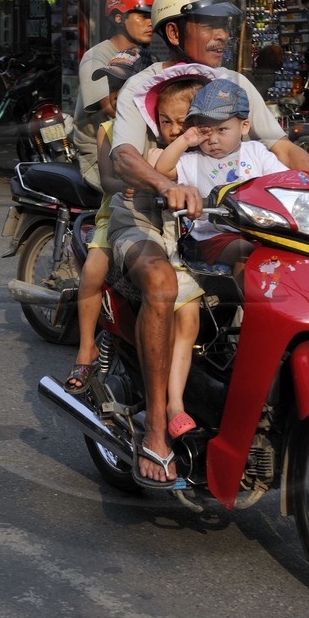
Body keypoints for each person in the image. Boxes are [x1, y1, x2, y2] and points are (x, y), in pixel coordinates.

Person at [107, 0, 309, 488]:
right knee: (163, 286)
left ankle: (249, 389)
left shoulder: (237, 85)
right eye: (209, 24)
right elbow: (124, 156)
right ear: (173, 31)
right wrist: (163, 184)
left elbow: (280, 148)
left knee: (291, 270)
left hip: (221, 219)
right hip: (145, 217)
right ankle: (155, 429)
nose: (221, 34)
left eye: (224, 25)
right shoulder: (138, 87)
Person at [62, 55, 203, 401]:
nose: (115, 97)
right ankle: (85, 351)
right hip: (116, 214)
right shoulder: (108, 131)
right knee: (94, 269)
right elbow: (109, 177)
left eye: (123, 88)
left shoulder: (160, 129)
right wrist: (128, 183)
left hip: (166, 220)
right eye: (112, 89)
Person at [154, 78, 288, 432]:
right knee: (191, 317)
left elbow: (287, 184)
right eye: (205, 130)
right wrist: (185, 140)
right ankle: (175, 406)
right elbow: (160, 172)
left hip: (256, 245)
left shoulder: (257, 154)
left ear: (244, 126)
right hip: (209, 244)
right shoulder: (192, 160)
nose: (213, 138)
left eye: (223, 129)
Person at [72, 0, 156, 190]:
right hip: (101, 156)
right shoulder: (96, 58)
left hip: (139, 148)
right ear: (119, 18)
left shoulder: (148, 58)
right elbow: (111, 108)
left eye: (152, 17)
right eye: (143, 16)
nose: (150, 23)